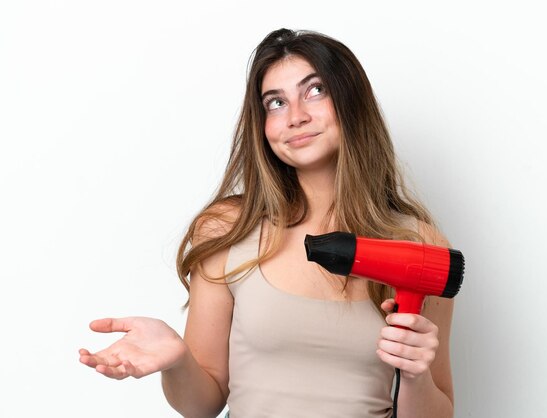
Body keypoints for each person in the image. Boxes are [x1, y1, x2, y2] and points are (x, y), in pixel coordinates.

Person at [79, 28, 456, 418]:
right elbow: (201, 404)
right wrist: (177, 360)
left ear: (352, 101)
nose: (295, 117)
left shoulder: (420, 246)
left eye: (315, 91)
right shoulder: (228, 228)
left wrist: (415, 375)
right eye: (276, 102)